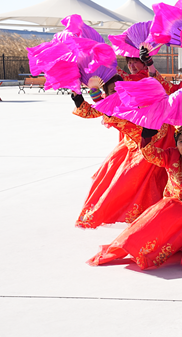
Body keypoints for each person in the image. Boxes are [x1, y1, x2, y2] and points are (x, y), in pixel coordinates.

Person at [89, 120, 182, 269]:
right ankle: (125, 246)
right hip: (177, 209)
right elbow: (150, 155)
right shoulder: (170, 155)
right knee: (159, 212)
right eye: (181, 141)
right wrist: (146, 137)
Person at [70, 75, 169, 228]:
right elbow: (92, 111)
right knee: (120, 177)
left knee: (147, 178)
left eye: (119, 90)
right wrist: (77, 98)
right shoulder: (110, 105)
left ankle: (156, 214)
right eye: (111, 91)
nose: (116, 94)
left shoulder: (133, 100)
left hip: (157, 141)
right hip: (133, 144)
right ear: (107, 94)